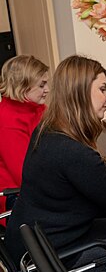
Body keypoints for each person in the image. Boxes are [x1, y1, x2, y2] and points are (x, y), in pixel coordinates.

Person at [6, 55, 106, 272]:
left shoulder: (49, 131)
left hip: (36, 255)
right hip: (54, 270)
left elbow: (92, 173)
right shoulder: (72, 151)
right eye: (102, 89)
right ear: (80, 93)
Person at [0, 55, 49, 225]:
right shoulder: (7, 122)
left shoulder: (36, 108)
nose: (47, 89)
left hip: (39, 183)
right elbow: (24, 174)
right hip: (17, 197)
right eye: (42, 85)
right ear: (23, 87)